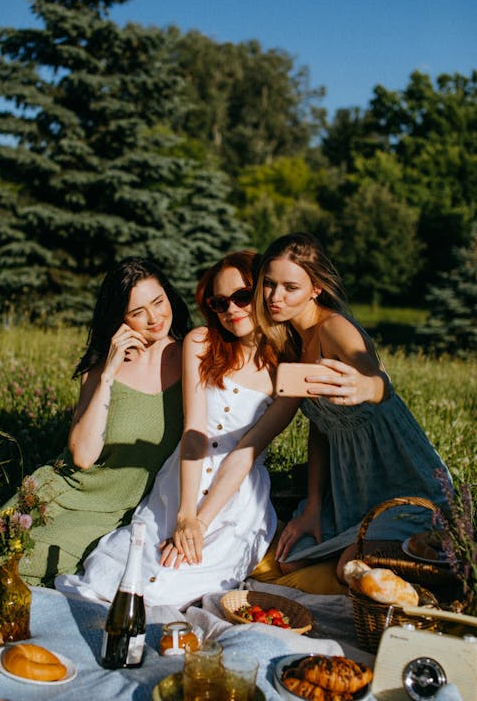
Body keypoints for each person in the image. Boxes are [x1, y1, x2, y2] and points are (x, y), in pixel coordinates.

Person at [56, 251, 299, 609]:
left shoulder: (289, 370)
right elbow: (194, 430)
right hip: (183, 479)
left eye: (242, 296)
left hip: (235, 496)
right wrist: (185, 512)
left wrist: (199, 523)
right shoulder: (201, 342)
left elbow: (244, 454)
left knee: (177, 584)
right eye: (220, 302)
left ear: (262, 291)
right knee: (119, 569)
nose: (231, 309)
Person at [252, 232, 452, 587]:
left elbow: (374, 376)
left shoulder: (335, 328)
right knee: (290, 560)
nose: (275, 297)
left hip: (402, 480)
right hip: (348, 488)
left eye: (290, 287)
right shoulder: (294, 341)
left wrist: (369, 387)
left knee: (353, 567)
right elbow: (320, 429)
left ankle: (439, 555)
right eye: (269, 284)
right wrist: (313, 504)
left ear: (315, 289)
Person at [0, 257, 191, 586]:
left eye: (158, 302)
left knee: (15, 564)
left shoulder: (192, 358)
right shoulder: (101, 368)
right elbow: (82, 457)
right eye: (137, 312)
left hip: (109, 511)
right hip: (57, 490)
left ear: (169, 296)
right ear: (120, 319)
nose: (153, 318)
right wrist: (108, 374)